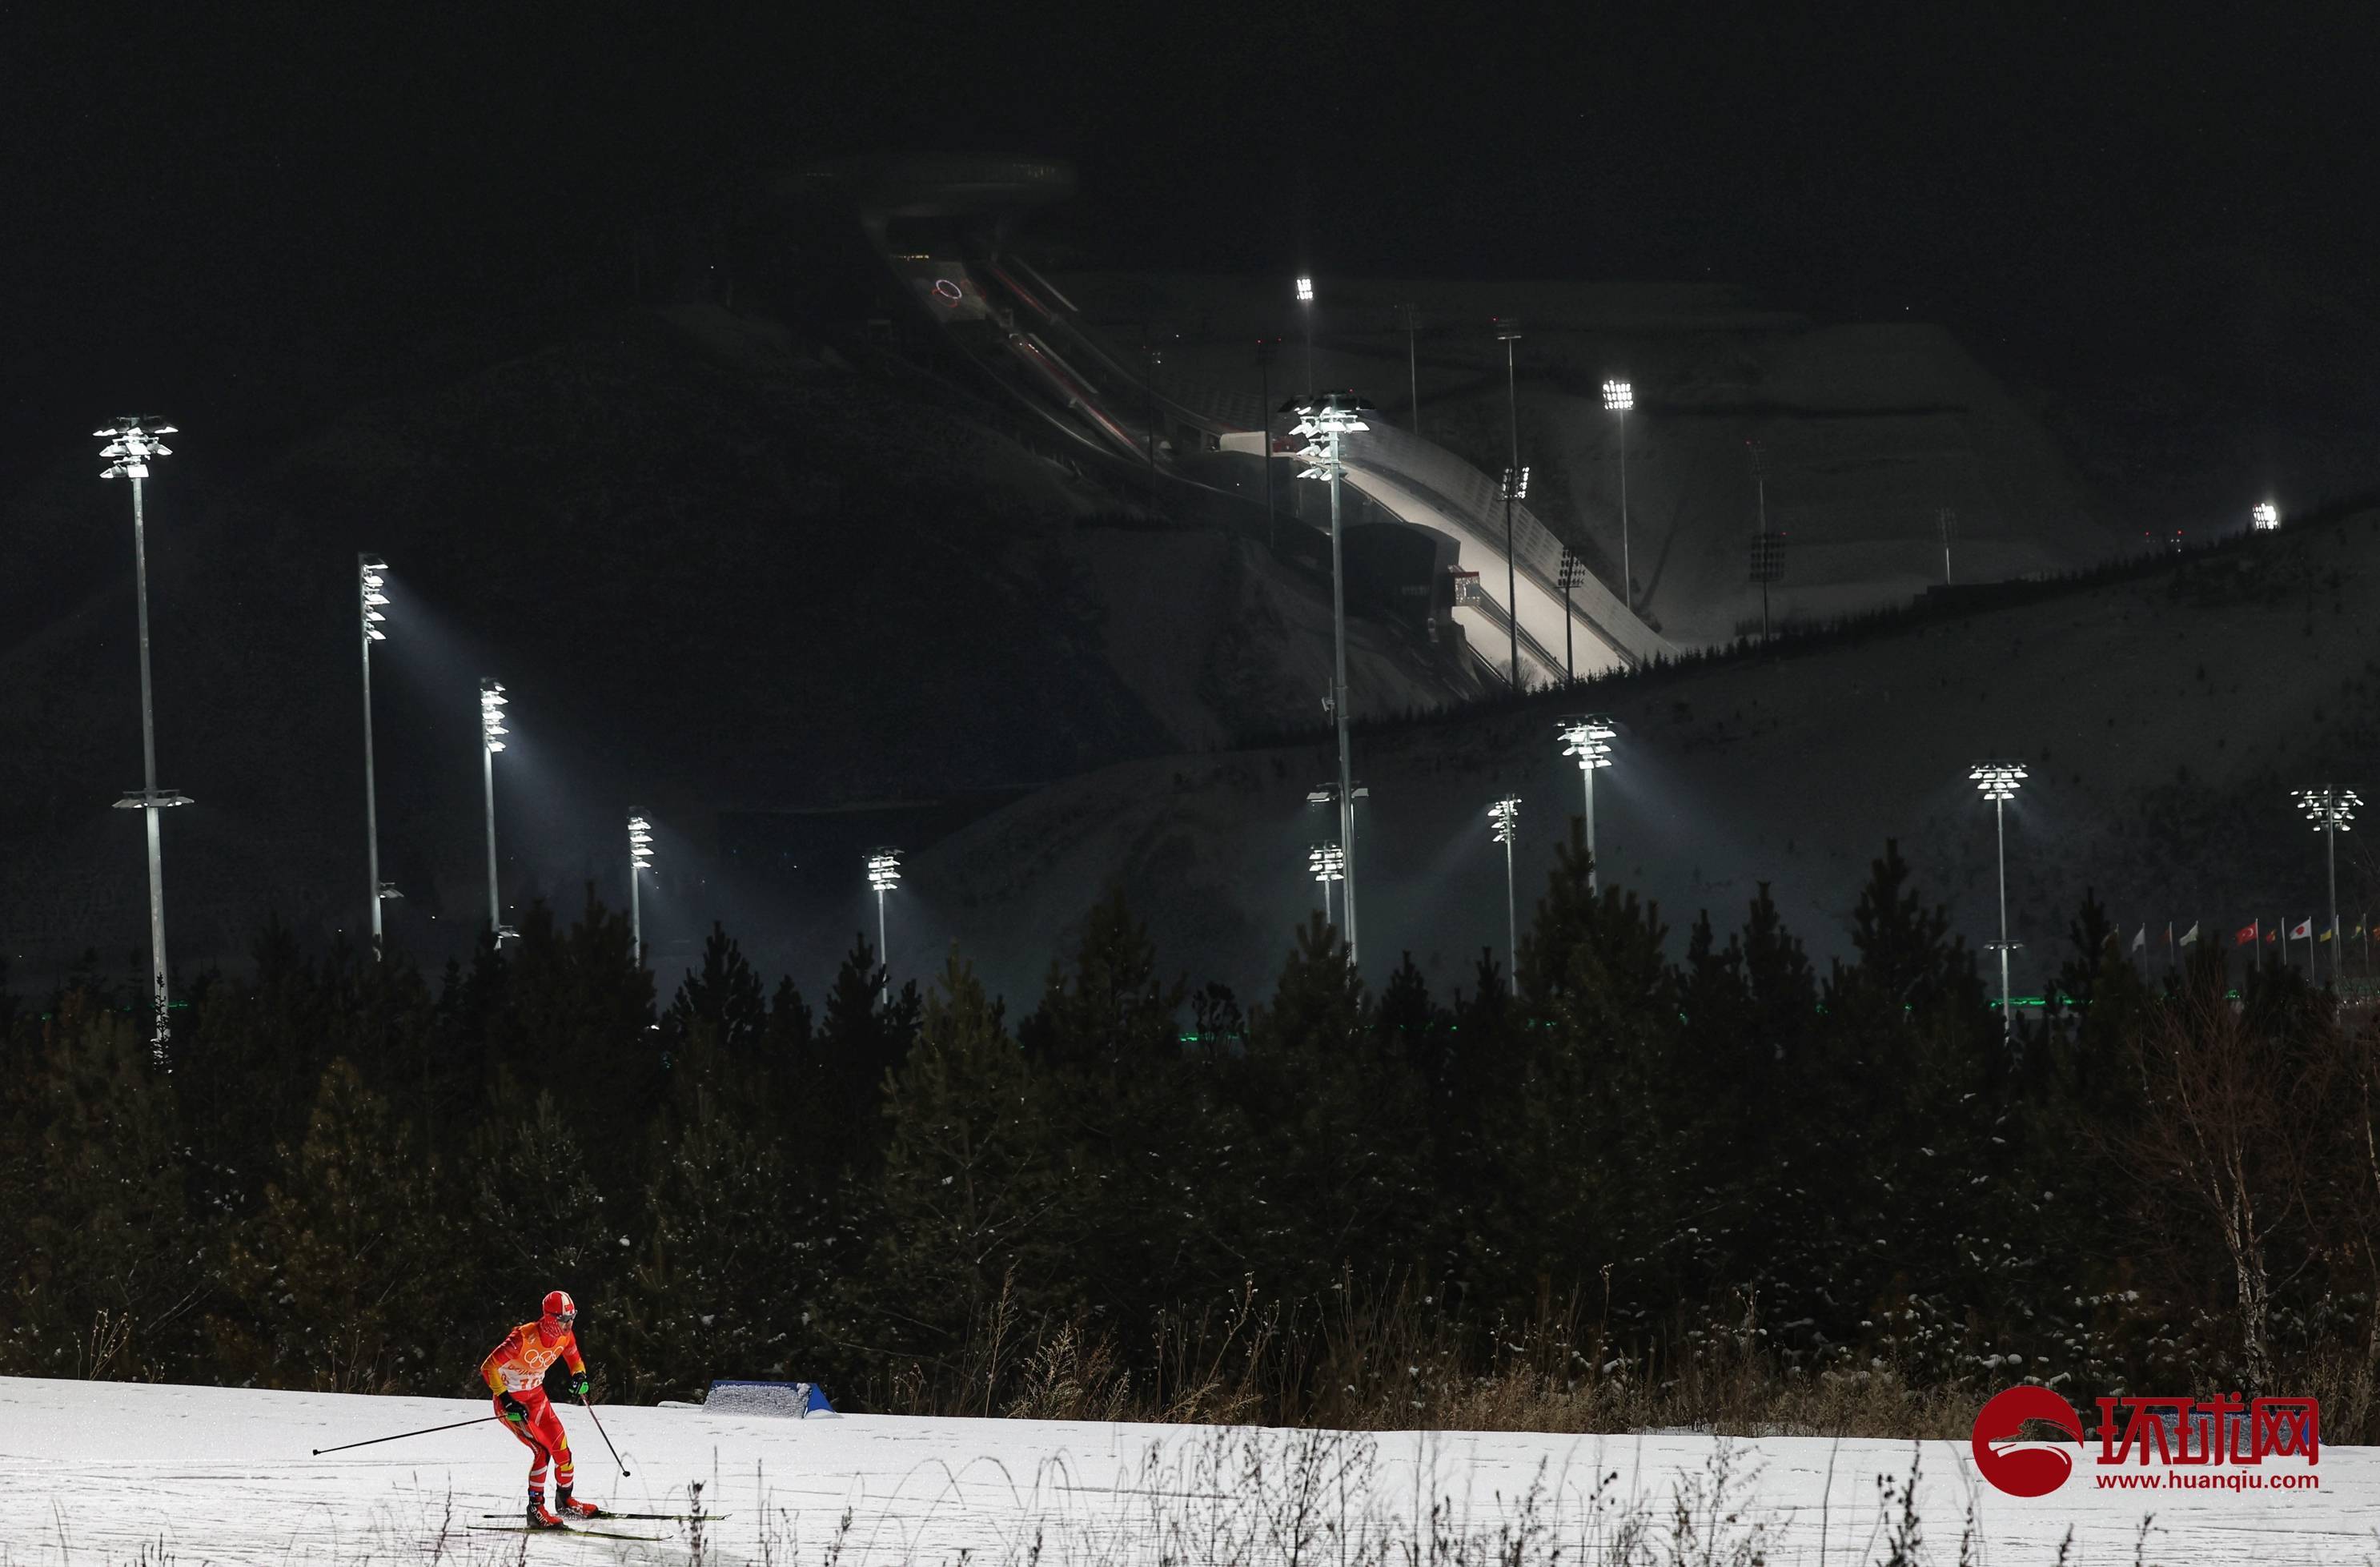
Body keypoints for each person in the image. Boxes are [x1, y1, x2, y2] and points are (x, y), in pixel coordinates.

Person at [481, 1290, 602, 1527]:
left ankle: (565, 1501)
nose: (568, 1324)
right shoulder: (523, 1338)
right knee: (541, 1452)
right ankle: (535, 1509)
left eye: (572, 1318)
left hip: (536, 1398)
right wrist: (506, 1400)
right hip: (512, 1403)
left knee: (562, 1450)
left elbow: (574, 1358)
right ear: (548, 1317)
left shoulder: (564, 1336)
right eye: (563, 1319)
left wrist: (580, 1376)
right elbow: (488, 1368)